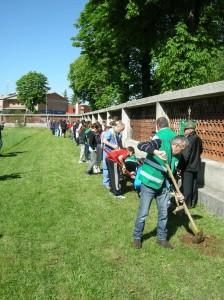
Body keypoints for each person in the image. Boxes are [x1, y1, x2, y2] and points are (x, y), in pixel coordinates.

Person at [133, 117, 188, 249]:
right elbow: (141, 146)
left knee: (163, 213)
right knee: (143, 213)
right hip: (149, 183)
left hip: (163, 186)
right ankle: (137, 237)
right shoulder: (160, 142)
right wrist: (156, 151)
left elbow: (172, 176)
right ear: (175, 145)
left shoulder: (177, 157)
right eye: (181, 149)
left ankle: (161, 238)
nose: (182, 152)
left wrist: (177, 193)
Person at [179, 120, 203, 208]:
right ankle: (193, 202)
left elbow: (185, 155)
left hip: (188, 167)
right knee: (193, 185)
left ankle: (187, 204)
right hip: (196, 166)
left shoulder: (188, 139)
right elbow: (200, 151)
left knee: (187, 187)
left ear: (190, 129)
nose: (184, 130)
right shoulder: (198, 138)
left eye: (185, 129)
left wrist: (179, 166)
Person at [102, 121, 125, 189]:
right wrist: (112, 146)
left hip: (115, 154)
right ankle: (106, 183)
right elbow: (104, 140)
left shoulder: (119, 133)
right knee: (106, 167)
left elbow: (119, 142)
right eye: (121, 129)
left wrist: (122, 149)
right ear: (117, 127)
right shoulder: (109, 132)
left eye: (122, 130)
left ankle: (112, 181)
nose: (121, 131)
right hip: (107, 153)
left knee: (113, 168)